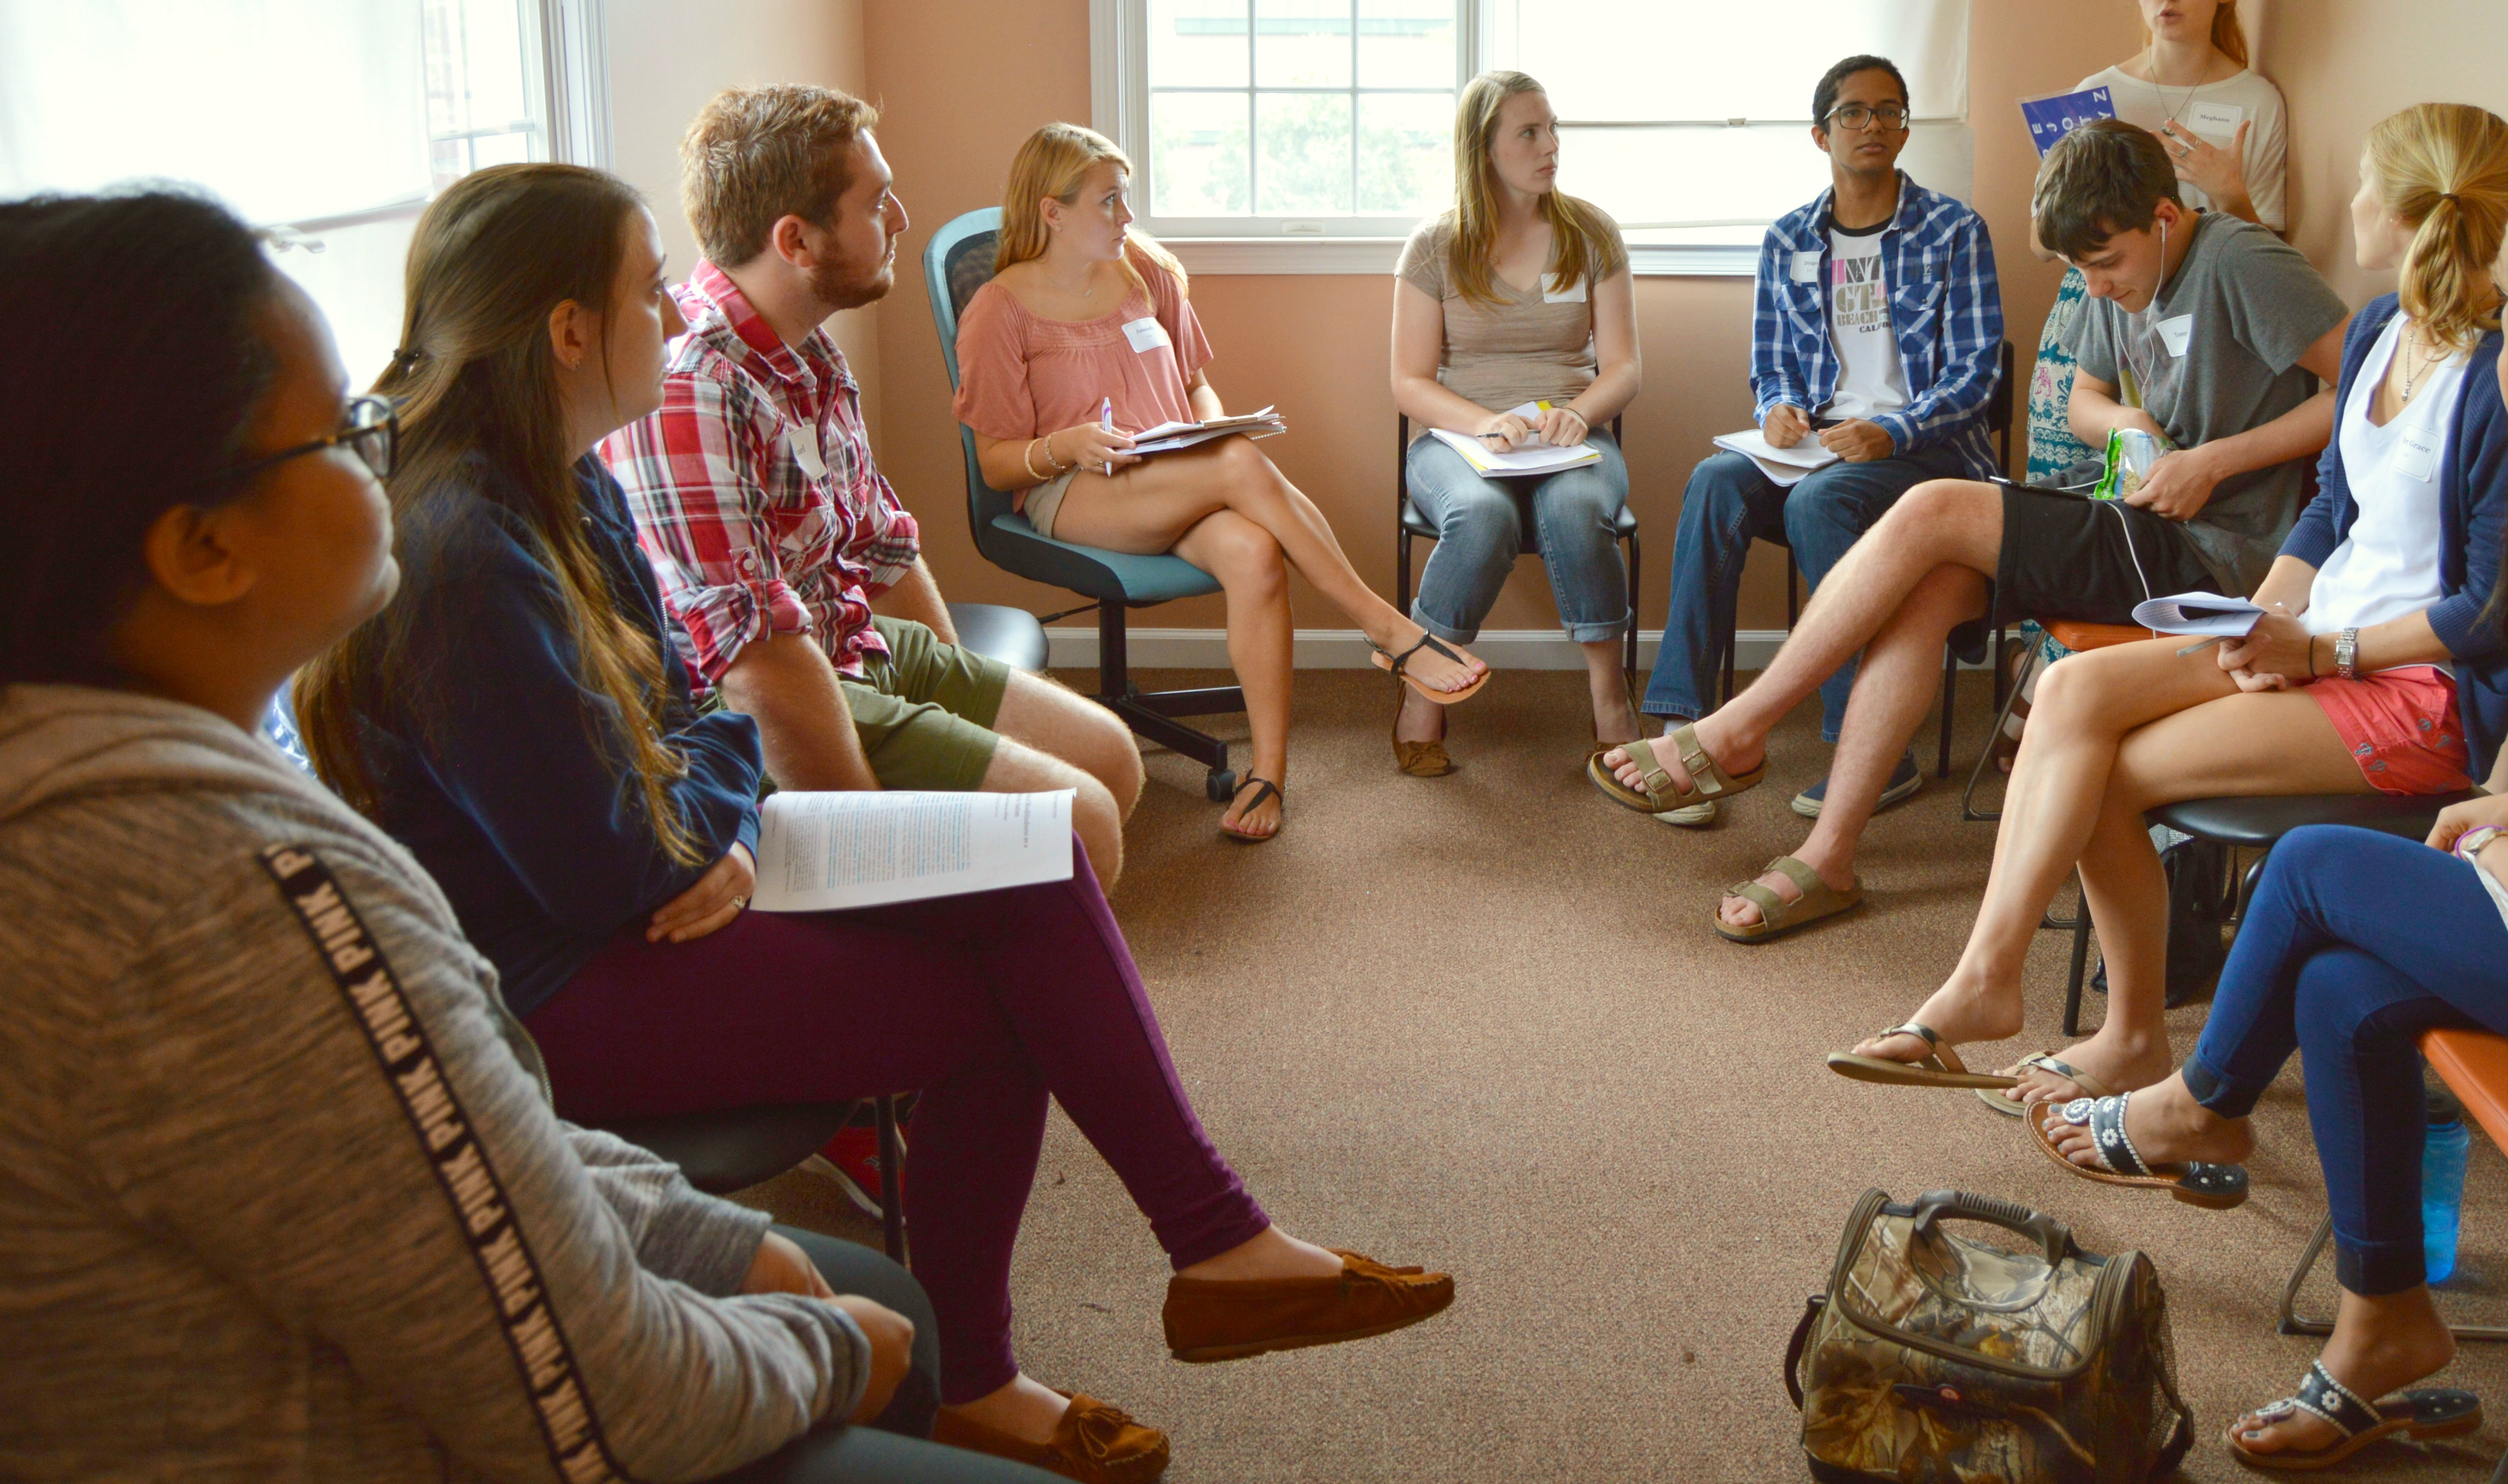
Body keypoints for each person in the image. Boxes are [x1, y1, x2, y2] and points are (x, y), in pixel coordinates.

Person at [295, 164, 1458, 1484]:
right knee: (986, 1012)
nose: (671, 309)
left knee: (1035, 861)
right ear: (567, 330)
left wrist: (712, 797)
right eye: (640, 288)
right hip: (552, 981)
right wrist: (711, 807)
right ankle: (986, 1371)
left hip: (675, 864)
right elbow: (613, 868)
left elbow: (698, 714)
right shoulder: (463, 547)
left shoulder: (562, 480)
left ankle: (1211, 1247)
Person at [0, 186, 1050, 1483]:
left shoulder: (133, 792)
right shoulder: (228, 899)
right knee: (902, 1342)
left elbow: (440, 1135)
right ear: (203, 548)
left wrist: (720, 1247)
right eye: (340, 432)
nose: (382, 446)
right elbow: (606, 1399)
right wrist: (840, 1349)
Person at [2032, 204, 2508, 1468]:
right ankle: (2385, 1328)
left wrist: (2484, 849)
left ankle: (2198, 1106)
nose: (2500, 342)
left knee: (2314, 871)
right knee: (2351, 983)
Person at [1832, 105, 2508, 1108]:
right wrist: (2267, 616)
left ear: (2414, 207)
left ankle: (2127, 1036)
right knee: (2070, 693)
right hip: (2311, 632)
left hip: (2413, 685)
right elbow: (2331, 507)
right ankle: (1987, 981)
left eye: (2367, 185)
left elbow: (2494, 608)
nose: (2351, 202)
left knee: (2103, 775)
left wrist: (2321, 651)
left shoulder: (2497, 376)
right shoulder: (2380, 333)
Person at [1594, 118, 2348, 943]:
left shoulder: (2242, 262)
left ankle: (1737, 730)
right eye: (2080, 271)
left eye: (2106, 265)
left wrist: (2217, 460)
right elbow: (2083, 397)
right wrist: (2131, 424)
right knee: (1933, 588)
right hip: (2138, 510)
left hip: (2219, 552)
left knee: (1934, 506)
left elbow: (2367, 391)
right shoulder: (2123, 277)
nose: (2094, 288)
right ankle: (1830, 858)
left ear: (2164, 218)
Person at [599, 87, 1145, 886]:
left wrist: (961, 719)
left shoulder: (807, 351)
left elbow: (882, 547)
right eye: (877, 201)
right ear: (797, 240)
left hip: (853, 642)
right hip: (774, 690)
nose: (901, 216)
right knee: (1077, 827)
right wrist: (873, 853)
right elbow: (756, 671)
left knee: (1111, 759)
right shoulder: (697, 393)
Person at [955, 123, 1490, 841]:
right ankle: (1387, 627)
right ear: (1052, 211)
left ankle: (1268, 773)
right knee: (1239, 462)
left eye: (1128, 198)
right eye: (1110, 202)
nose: (1127, 217)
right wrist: (1066, 444)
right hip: (1075, 490)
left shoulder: (1143, 268)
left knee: (1254, 552)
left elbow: (1198, 385)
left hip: (1175, 474)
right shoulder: (1000, 309)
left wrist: (1205, 429)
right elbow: (994, 462)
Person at [1640, 56, 2003, 823]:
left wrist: (1892, 428)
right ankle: (1687, 728)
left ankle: (1868, 750)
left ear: (1906, 127)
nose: (1872, 125)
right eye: (1853, 113)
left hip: (1926, 454)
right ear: (1820, 132)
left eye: (1889, 111)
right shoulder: (1789, 238)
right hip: (1822, 449)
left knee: (1819, 505)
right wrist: (1777, 409)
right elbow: (1771, 366)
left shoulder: (1954, 230)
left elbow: (1977, 377)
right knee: (1714, 482)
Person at [2019, 0, 2293, 729]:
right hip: (2102, 304)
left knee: (2156, 507)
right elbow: (2058, 230)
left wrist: (2228, 190)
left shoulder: (2254, 98)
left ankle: (2099, 702)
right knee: (2073, 486)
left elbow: (2273, 247)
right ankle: (2047, 691)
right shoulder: (2102, 91)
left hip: (2205, 317)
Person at [1389, 70, 1642, 774]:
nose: (1551, 145)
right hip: (1458, 442)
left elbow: (1623, 366)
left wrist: (1578, 413)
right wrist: (1483, 424)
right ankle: (1424, 690)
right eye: (1529, 132)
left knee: (1580, 508)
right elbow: (1407, 381)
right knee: (1479, 514)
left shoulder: (1590, 233)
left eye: (1553, 128)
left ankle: (1609, 697)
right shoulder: (1435, 247)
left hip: (1572, 438)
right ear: (1484, 150)